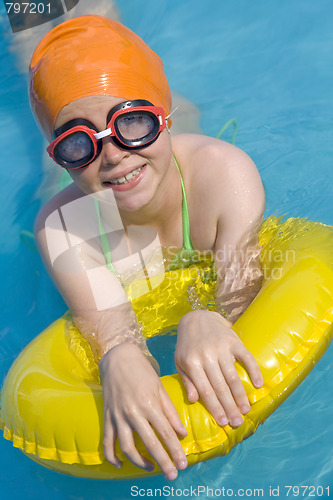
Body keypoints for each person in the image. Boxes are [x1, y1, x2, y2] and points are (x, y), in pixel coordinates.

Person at [31, 15, 265, 481]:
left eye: (134, 121)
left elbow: (246, 291)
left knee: (97, 27)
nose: (113, 153)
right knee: (31, 40)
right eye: (78, 143)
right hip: (85, 197)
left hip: (184, 161)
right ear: (60, 152)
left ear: (162, 116)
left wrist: (214, 315)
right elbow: (110, 328)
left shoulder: (224, 178)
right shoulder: (64, 226)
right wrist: (117, 354)